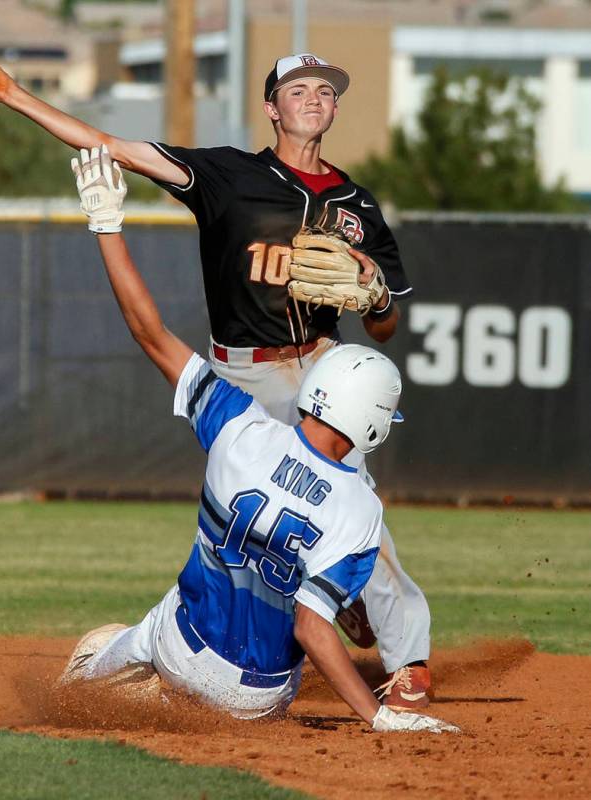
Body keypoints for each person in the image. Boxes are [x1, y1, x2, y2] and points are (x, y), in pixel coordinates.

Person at [0, 51, 431, 710]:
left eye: (326, 89)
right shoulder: (228, 174)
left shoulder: (358, 206)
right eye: (297, 89)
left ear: (336, 108)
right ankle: (314, 602)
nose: (313, 98)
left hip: (324, 364)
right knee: (272, 501)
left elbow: (385, 329)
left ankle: (408, 659)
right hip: (250, 368)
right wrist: (13, 95)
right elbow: (111, 146)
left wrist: (378, 298)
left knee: (360, 512)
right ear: (272, 107)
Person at [60, 145, 458, 735]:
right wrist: (377, 717)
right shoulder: (361, 511)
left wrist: (106, 222)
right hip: (260, 700)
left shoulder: (239, 429)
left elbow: (150, 332)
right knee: (311, 596)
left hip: (181, 648)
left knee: (129, 636)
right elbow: (311, 629)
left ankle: (96, 678)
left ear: (312, 390)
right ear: (372, 428)